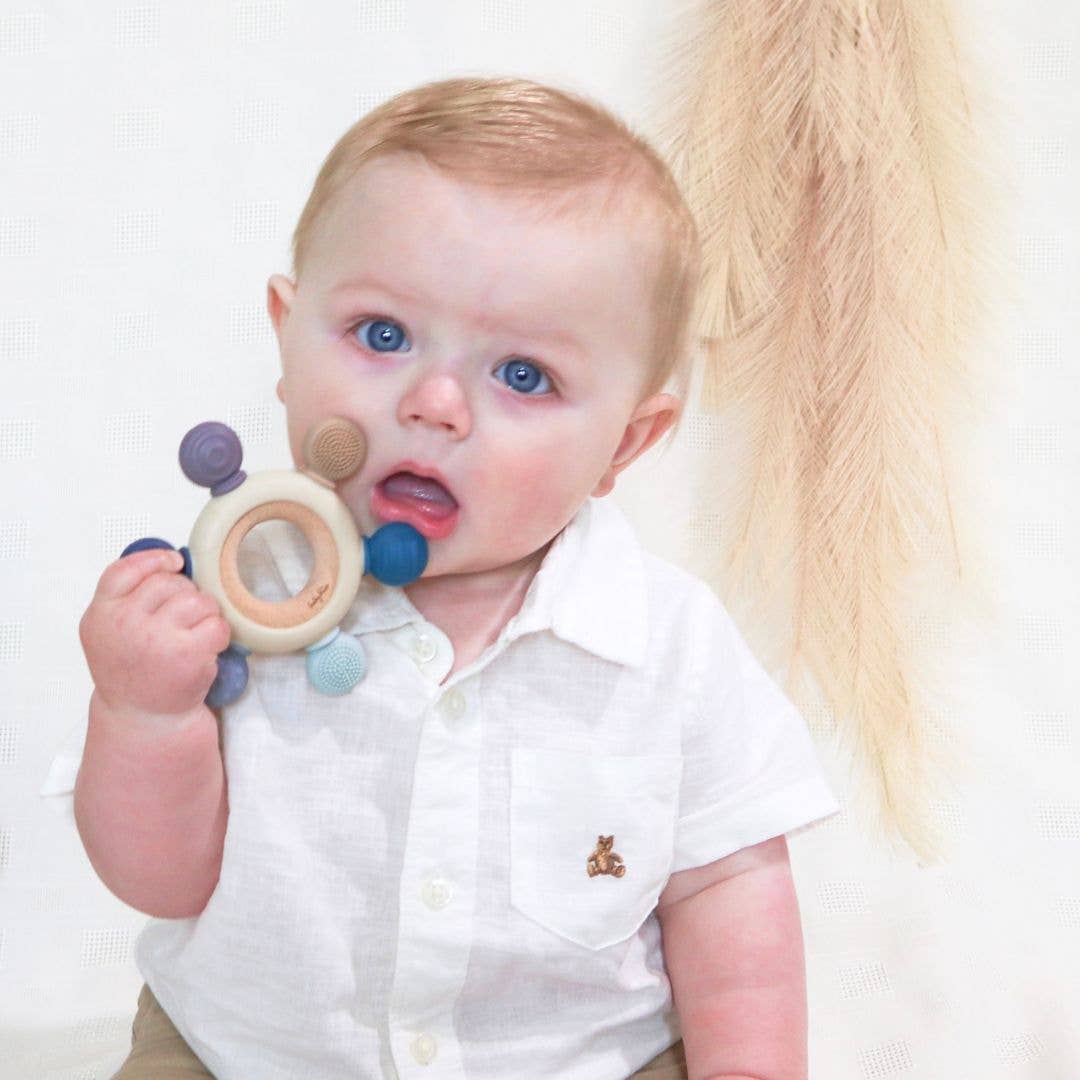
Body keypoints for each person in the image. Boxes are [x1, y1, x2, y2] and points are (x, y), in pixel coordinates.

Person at [73, 77, 839, 1079]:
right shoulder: (228, 596)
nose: (434, 404)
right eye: (383, 336)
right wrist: (144, 713)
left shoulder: (671, 645)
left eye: (523, 375)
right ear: (285, 334)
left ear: (628, 440)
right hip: (241, 1055)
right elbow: (161, 882)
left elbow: (733, 907)